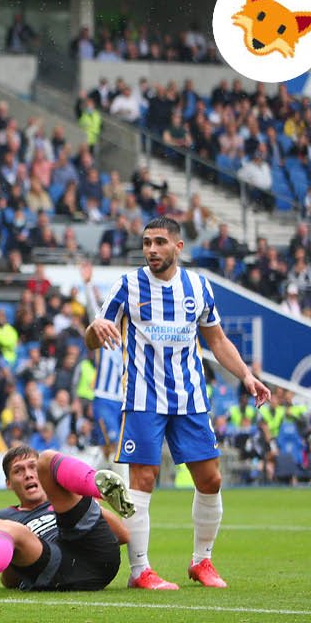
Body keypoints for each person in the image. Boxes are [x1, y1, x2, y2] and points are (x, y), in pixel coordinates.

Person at [85, 216, 271, 590]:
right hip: (143, 396)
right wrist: (95, 328)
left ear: (177, 247)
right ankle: (140, 571)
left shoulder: (198, 287)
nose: (151, 249)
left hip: (190, 397)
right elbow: (94, 338)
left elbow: (216, 341)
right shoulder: (127, 285)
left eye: (159, 242)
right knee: (142, 479)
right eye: (147, 243)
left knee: (211, 479)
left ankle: (202, 561)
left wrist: (247, 376)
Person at [0, 446, 132, 597]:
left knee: (48, 458)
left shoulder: (66, 498)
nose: (28, 475)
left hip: (96, 556)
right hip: (54, 567)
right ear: (8, 483)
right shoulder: (5, 518)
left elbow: (122, 536)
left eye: (33, 468)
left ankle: (103, 490)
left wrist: (90, 505)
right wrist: (19, 553)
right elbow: (10, 581)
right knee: (3, 525)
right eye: (18, 471)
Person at [81, 262, 127, 475]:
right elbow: (93, 313)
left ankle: (84, 482)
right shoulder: (104, 332)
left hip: (124, 401)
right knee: (114, 443)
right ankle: (125, 489)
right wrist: (88, 284)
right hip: (104, 398)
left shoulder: (132, 339)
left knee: (109, 448)